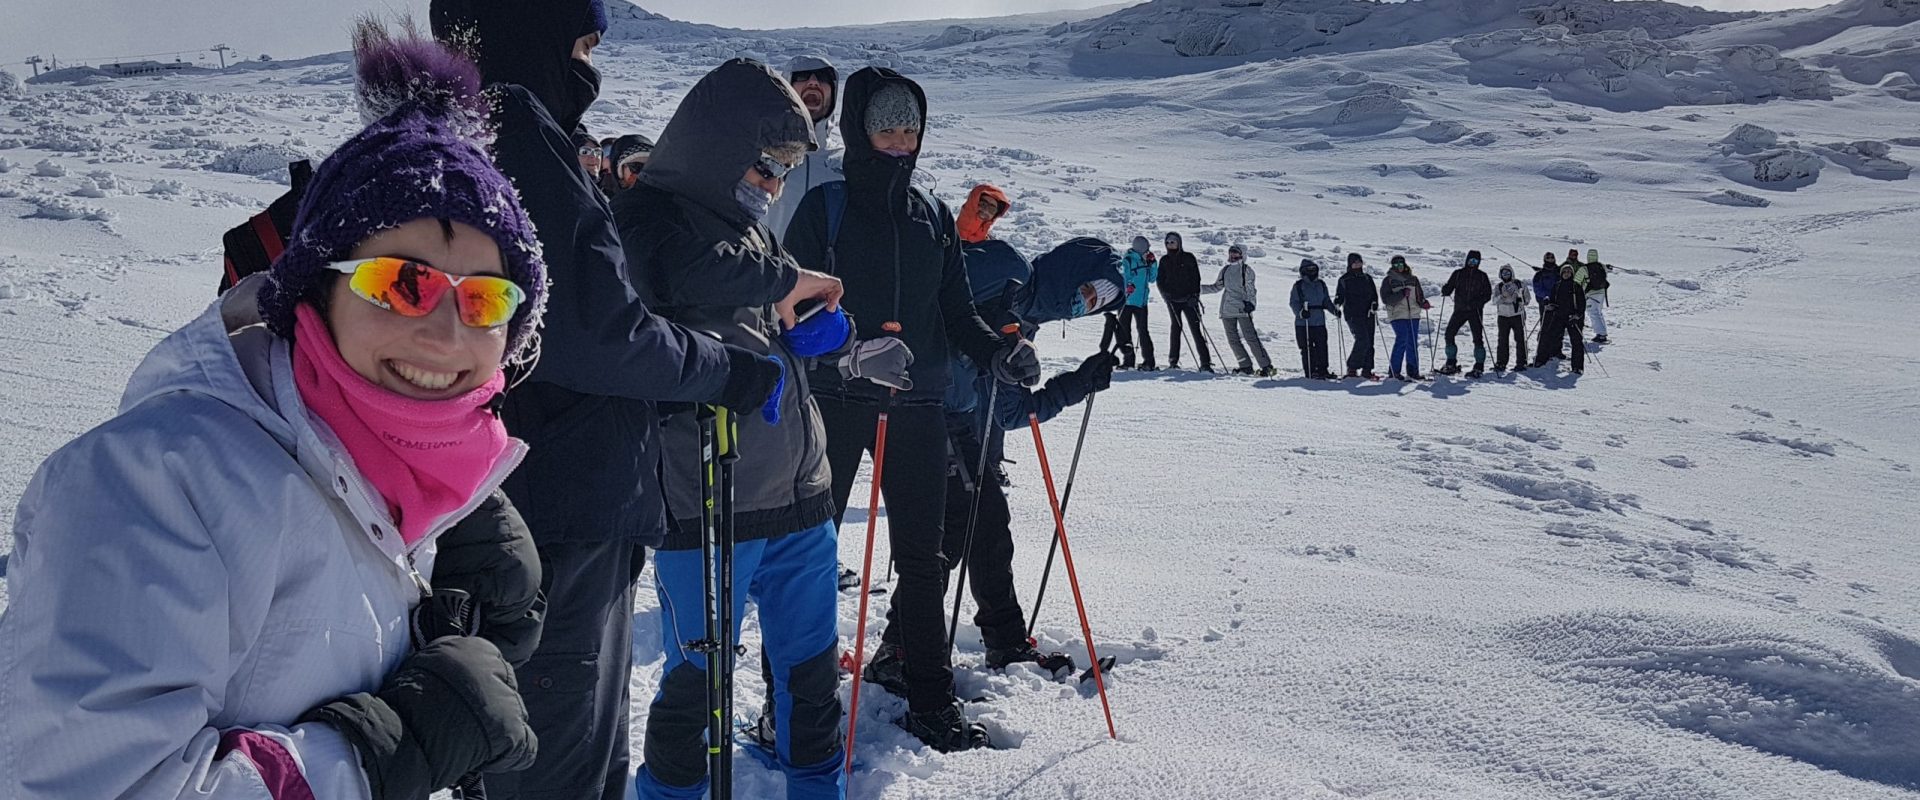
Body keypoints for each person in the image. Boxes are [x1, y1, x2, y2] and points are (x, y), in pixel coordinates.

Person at [0, 27, 545, 799]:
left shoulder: (393, 474)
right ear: (315, 291)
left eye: (486, 299)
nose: (446, 333)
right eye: (402, 284)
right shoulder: (155, 483)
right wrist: (380, 755)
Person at [429, 3, 792, 797]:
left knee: (546, 752)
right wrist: (727, 372)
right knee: (561, 764)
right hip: (560, 512)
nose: (590, 69)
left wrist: (662, 398)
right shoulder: (516, 131)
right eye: (585, 44)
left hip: (536, 496)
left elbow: (547, 345)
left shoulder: (467, 128)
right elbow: (597, 334)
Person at [613, 59, 853, 800]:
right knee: (695, 683)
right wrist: (784, 282)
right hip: (706, 503)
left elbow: (765, 312)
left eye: (785, 170)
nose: (774, 185)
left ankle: (818, 790)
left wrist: (815, 333)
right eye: (765, 165)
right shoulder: (647, 219)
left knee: (811, 676)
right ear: (717, 148)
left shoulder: (753, 235)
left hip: (799, 493)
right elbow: (683, 274)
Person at [782, 66, 1040, 753]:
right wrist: (849, 351)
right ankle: (795, 704)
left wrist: (999, 353)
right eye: (886, 127)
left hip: (917, 403)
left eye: (910, 129)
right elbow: (788, 309)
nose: (900, 141)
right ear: (859, 129)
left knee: (923, 557)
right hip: (835, 401)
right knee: (810, 553)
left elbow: (956, 312)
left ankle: (929, 698)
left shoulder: (931, 214)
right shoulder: (825, 209)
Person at [937, 231, 1122, 689]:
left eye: (1093, 304)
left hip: (963, 428)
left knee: (987, 532)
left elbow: (1011, 412)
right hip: (925, 409)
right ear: (1067, 271)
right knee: (948, 538)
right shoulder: (1005, 267)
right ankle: (902, 650)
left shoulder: (1026, 322)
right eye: (1086, 291)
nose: (1081, 305)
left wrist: (1078, 383)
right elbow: (935, 296)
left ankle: (1005, 643)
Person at [767, 54, 844, 239]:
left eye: (823, 77)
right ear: (787, 88)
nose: (813, 82)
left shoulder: (846, 162)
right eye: (802, 76)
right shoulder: (762, 157)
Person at [1202, 243, 1274, 376]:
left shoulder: (1246, 270)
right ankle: (1245, 366)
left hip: (1242, 309)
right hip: (1227, 310)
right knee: (1233, 340)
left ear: (1242, 255)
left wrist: (1251, 303)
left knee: (1251, 338)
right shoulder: (1225, 270)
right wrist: (1196, 289)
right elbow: (1216, 287)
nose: (1233, 255)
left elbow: (1251, 289)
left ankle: (1266, 366)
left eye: (1236, 253)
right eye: (1231, 253)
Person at [1157, 231, 1213, 372]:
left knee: (1195, 329)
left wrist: (1195, 295)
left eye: (1173, 242)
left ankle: (1205, 362)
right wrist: (1165, 294)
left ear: (1179, 243)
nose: (1170, 244)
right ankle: (1173, 360)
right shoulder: (1164, 260)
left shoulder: (1189, 257)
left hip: (1189, 300)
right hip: (1172, 300)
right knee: (1175, 328)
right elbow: (1160, 280)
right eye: (1168, 242)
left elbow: (1196, 278)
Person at [1438, 249, 1492, 377]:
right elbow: (1449, 287)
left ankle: (1479, 365)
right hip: (1460, 310)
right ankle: (1451, 362)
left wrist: (1478, 303)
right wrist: (1446, 290)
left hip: (1475, 311)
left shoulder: (1482, 276)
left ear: (1479, 262)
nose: (1473, 263)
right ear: (1467, 260)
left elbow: (1488, 294)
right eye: (1471, 260)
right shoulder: (1458, 274)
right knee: (1449, 334)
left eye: (1476, 261)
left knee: (1478, 339)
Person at [1110, 236, 1158, 370]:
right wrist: (1128, 286)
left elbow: (1152, 279)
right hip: (1126, 301)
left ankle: (1149, 362)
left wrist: (1153, 264)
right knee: (1125, 332)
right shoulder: (1128, 260)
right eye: (1147, 248)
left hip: (1141, 302)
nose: (1148, 250)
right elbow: (1123, 277)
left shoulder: (1146, 260)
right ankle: (1128, 361)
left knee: (1143, 332)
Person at [1381, 255, 1431, 381]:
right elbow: (1386, 299)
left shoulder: (1413, 279)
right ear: (1392, 266)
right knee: (1402, 339)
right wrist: (1401, 294)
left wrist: (1423, 303)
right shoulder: (1388, 280)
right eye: (1396, 264)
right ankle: (1394, 372)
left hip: (1413, 314)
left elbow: (1419, 296)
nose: (1399, 266)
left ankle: (1413, 371)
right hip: (1397, 314)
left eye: (1401, 264)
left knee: (1412, 342)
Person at [1535, 262, 1587, 374]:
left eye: (1569, 272)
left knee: (1576, 341)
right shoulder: (1557, 285)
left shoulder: (1576, 286)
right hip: (1559, 315)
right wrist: (1548, 302)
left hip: (1572, 317)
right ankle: (1547, 357)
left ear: (1572, 274)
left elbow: (1582, 303)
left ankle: (1577, 366)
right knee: (1551, 337)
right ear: (1561, 273)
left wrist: (1578, 315)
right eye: (1565, 271)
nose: (1567, 273)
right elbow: (1553, 299)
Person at [1333, 252, 1379, 379]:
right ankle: (1352, 367)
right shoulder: (1344, 279)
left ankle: (1367, 369)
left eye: (1359, 262)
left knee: (1370, 341)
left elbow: (1374, 295)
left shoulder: (1367, 278)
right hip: (1353, 314)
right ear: (1350, 264)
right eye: (1355, 262)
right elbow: (1339, 295)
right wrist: (1337, 304)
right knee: (1362, 339)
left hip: (1368, 313)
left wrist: (1374, 304)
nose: (1357, 264)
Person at [1289, 258, 1336, 379]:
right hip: (1304, 322)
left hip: (1319, 321)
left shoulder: (1321, 284)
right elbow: (1294, 302)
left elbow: (1326, 301)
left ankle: (1323, 370)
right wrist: (1300, 313)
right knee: (1307, 348)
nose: (1312, 272)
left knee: (1322, 346)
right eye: (1309, 269)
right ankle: (1311, 370)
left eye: (1313, 269)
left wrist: (1334, 310)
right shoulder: (1299, 286)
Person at [1492, 264, 1530, 373]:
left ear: (1512, 273)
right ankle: (1501, 362)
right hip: (1503, 316)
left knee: (1520, 339)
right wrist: (1502, 296)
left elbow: (1527, 299)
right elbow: (1494, 301)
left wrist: (1519, 299)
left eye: (1508, 272)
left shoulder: (1519, 284)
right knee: (1502, 339)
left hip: (1517, 315)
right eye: (1504, 273)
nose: (1506, 275)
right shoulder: (1499, 286)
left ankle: (1521, 362)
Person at [1532, 252, 1564, 361]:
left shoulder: (1559, 272)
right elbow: (1537, 288)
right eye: (1548, 257)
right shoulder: (1539, 274)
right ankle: (1543, 351)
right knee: (1545, 327)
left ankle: (1557, 350)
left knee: (1559, 327)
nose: (1550, 259)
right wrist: (1546, 297)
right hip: (1545, 303)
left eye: (1552, 257)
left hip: (1558, 303)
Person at [1584, 247, 1611, 344]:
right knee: (1598, 312)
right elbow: (1607, 270)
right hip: (1601, 293)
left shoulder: (1586, 268)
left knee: (1593, 312)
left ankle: (1601, 334)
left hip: (1591, 293)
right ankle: (1602, 333)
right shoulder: (1601, 266)